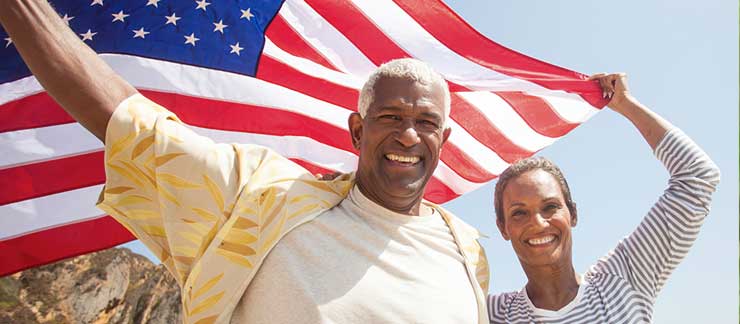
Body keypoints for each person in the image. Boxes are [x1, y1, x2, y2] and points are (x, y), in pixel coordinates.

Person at [1, 1, 490, 324]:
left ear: (442, 139)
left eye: (426, 122)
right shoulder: (264, 200)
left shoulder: (466, 252)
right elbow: (130, 122)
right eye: (390, 116)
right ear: (358, 131)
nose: (408, 133)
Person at [487, 73, 720, 323]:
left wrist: (626, 104)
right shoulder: (490, 313)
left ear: (572, 213)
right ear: (503, 227)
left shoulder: (625, 278)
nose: (539, 222)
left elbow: (698, 175)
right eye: (519, 212)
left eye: (550, 206)